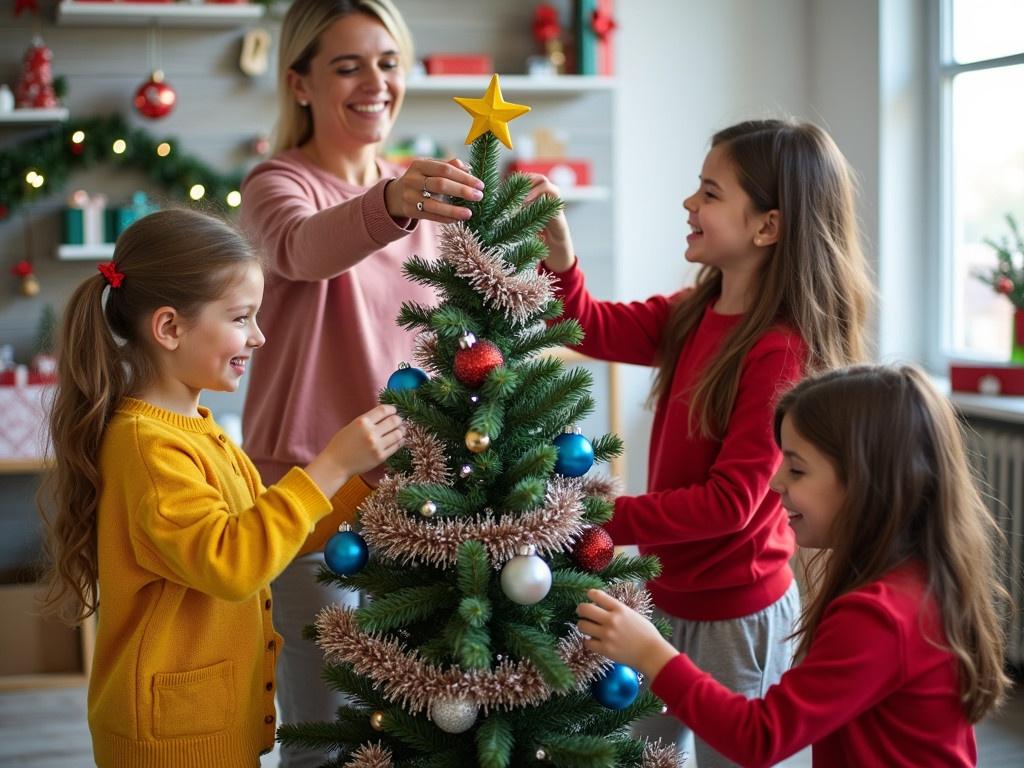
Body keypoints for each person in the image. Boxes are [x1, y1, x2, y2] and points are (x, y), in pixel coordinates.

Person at [530, 119, 873, 765]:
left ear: (767, 226)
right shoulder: (692, 313)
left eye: (710, 193)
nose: (690, 203)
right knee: (646, 756)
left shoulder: (780, 349)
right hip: (663, 595)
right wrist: (561, 256)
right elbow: (586, 325)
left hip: (736, 619)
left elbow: (728, 504)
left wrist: (585, 518)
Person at [37, 209, 405, 768]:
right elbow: (233, 564)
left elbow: (273, 536)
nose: (258, 337)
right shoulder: (148, 446)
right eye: (241, 318)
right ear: (169, 328)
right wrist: (329, 465)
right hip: (171, 740)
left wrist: (370, 484)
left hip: (208, 722)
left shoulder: (199, 430)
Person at [238, 2, 486, 763]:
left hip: (423, 503)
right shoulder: (277, 185)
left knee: (423, 731)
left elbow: (452, 340)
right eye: (347, 66)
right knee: (327, 737)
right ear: (300, 83)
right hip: (314, 503)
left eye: (387, 62)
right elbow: (305, 250)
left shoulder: (423, 196)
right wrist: (390, 203)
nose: (374, 83)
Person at [577, 364, 1010, 767]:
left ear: (866, 483)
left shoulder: (878, 615)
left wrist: (651, 653)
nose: (776, 480)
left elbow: (759, 737)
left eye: (798, 469)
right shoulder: (918, 578)